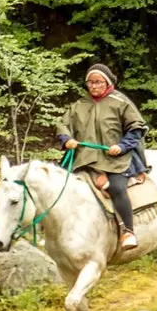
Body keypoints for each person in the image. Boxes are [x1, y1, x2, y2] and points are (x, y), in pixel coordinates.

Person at [58, 63, 149, 249]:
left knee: (116, 187)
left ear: (107, 82)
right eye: (90, 82)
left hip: (116, 159)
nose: (93, 86)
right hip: (84, 158)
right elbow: (63, 125)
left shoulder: (121, 103)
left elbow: (136, 128)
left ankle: (128, 231)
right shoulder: (79, 105)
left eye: (98, 82)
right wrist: (67, 139)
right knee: (61, 187)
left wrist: (121, 146)